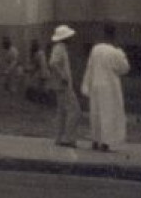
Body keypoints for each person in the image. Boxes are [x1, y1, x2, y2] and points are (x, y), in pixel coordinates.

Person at [81, 23, 131, 152]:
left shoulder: (96, 49)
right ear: (114, 35)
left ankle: (95, 140)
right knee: (108, 113)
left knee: (95, 113)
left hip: (96, 85)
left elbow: (89, 68)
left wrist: (87, 84)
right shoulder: (114, 52)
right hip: (109, 87)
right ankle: (106, 142)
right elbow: (124, 68)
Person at [49, 24, 82, 147]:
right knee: (75, 111)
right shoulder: (59, 48)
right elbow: (53, 63)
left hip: (61, 85)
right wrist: (62, 75)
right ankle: (68, 137)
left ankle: (60, 137)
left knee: (62, 112)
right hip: (63, 85)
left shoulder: (60, 48)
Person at [24, 39, 53, 104]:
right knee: (42, 89)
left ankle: (47, 101)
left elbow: (39, 66)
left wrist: (28, 69)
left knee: (42, 89)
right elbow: (36, 66)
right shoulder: (39, 53)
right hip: (43, 74)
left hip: (42, 74)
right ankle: (44, 101)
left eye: (34, 45)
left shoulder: (39, 54)